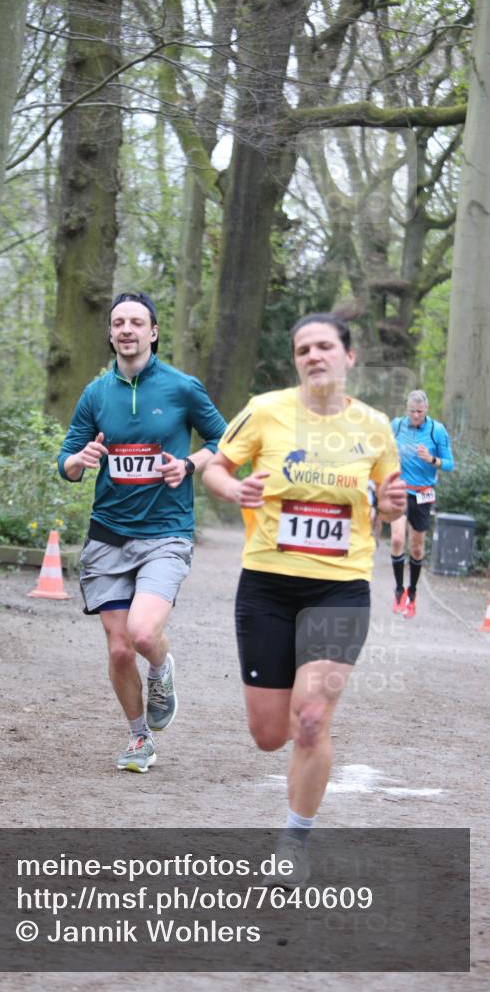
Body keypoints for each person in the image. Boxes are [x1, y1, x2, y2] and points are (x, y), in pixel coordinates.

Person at [202, 312, 406, 885]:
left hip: (340, 589)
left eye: (324, 346)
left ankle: (294, 839)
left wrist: (394, 506)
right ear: (295, 361)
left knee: (312, 719)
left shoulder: (374, 425)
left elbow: (390, 499)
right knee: (270, 734)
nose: (313, 355)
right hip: (267, 584)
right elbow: (216, 468)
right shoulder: (265, 410)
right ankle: (295, 768)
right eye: (303, 349)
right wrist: (234, 488)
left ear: (349, 356)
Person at [58, 291, 226, 773]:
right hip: (108, 535)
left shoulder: (182, 387)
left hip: (165, 533)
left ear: (153, 332)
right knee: (117, 648)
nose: (126, 329)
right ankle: (139, 738)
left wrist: (189, 464)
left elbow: (223, 439)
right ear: (110, 334)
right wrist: (79, 460)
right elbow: (66, 461)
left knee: (144, 633)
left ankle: (161, 668)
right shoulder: (96, 394)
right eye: (118, 323)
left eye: (136, 322)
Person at [389, 390, 454, 618]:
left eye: (419, 411)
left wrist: (432, 459)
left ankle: (412, 592)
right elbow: (384, 452)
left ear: (426, 410)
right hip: (400, 489)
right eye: (412, 411)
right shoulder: (397, 426)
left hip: (423, 493)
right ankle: (399, 591)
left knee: (416, 547)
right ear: (406, 409)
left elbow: (449, 464)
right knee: (397, 538)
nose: (415, 415)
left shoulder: (437, 430)